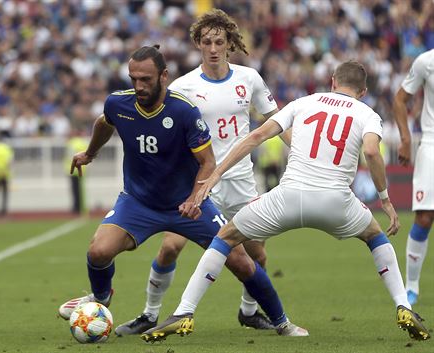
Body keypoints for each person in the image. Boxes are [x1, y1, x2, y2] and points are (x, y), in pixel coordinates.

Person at [142, 60, 430, 342]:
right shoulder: (367, 113)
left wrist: (216, 173)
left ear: (332, 82)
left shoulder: (303, 102)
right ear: (363, 92)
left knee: (225, 237)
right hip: (336, 202)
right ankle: (403, 305)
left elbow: (256, 136)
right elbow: (371, 151)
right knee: (375, 238)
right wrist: (385, 199)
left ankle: (184, 312)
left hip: (288, 197)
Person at [57, 45, 307, 338]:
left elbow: (207, 162)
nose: (138, 86)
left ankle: (282, 323)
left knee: (241, 260)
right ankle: (102, 299)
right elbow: (104, 123)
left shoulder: (183, 111)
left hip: (185, 206)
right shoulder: (117, 104)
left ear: (163, 76)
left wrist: (193, 199)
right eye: (133, 79)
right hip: (138, 203)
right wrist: (90, 153)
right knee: (98, 251)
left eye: (146, 79)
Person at [115, 8, 292, 336]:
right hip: (200, 182)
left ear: (229, 44)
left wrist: (300, 150)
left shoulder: (248, 79)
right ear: (198, 43)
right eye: (207, 41)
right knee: (170, 247)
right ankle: (150, 313)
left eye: (219, 42)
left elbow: (275, 122)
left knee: (256, 253)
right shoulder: (183, 86)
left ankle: (249, 311)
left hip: (240, 180)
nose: (213, 48)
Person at [394, 49, 434, 306]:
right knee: (424, 216)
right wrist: (406, 139)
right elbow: (400, 99)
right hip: (431, 144)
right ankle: (412, 287)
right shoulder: (426, 62)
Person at [66, 127, 88, 214]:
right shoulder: (83, 142)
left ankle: (76, 207)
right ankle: (81, 208)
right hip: (81, 169)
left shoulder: (71, 142)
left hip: (71, 169)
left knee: (75, 190)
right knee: (80, 190)